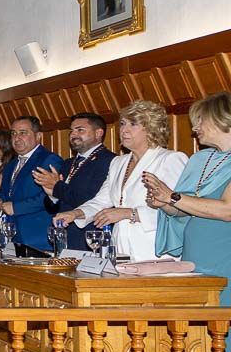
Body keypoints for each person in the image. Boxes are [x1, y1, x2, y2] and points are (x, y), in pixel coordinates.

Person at [147, 92, 231, 352]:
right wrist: (163, 201)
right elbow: (181, 206)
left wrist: (173, 196)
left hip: (226, 260)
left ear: (223, 119)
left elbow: (227, 210)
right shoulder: (199, 159)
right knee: (200, 333)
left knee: (225, 333)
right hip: (196, 259)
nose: (194, 127)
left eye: (200, 120)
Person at [54, 100, 187, 260]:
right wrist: (75, 213)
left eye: (133, 124)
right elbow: (102, 200)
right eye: (123, 124)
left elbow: (180, 210)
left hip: (154, 249)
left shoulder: (170, 159)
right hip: (120, 246)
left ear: (151, 128)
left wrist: (128, 213)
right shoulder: (119, 162)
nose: (124, 130)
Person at [34, 112, 116, 250]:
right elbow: (53, 207)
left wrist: (57, 187)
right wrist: (52, 195)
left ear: (98, 133)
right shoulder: (68, 163)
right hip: (64, 238)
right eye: (71, 130)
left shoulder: (109, 161)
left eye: (80, 130)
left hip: (90, 239)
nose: (73, 134)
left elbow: (90, 199)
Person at [0, 116, 65, 252]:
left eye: (23, 133)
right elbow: (5, 192)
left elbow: (50, 196)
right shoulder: (11, 164)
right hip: (12, 237)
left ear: (38, 136)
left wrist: (16, 207)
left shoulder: (49, 159)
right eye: (13, 134)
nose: (16, 138)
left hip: (38, 238)